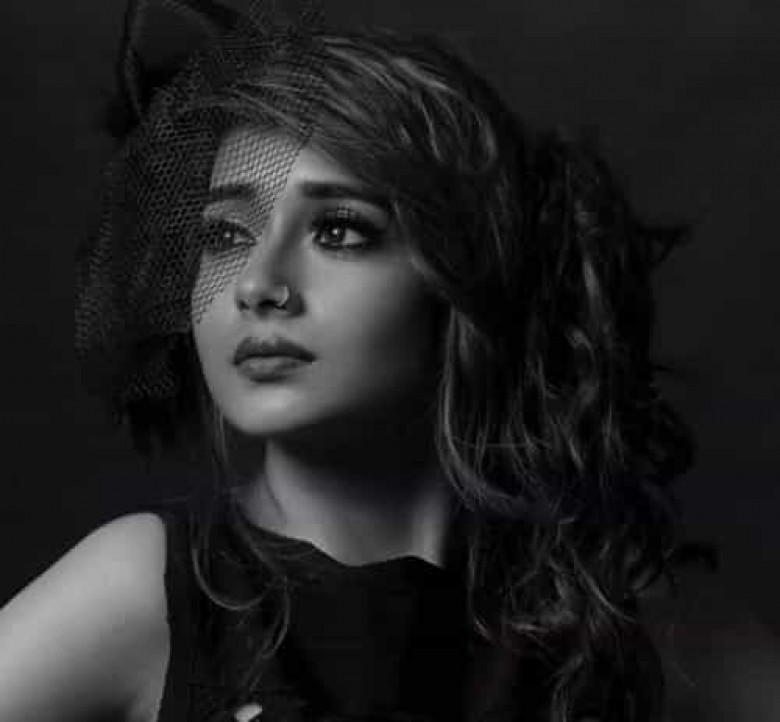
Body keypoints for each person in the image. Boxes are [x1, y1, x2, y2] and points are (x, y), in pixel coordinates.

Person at [2, 1, 779, 720]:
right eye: (224, 235)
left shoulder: (629, 610)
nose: (258, 284)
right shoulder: (147, 588)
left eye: (339, 231)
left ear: (460, 277)